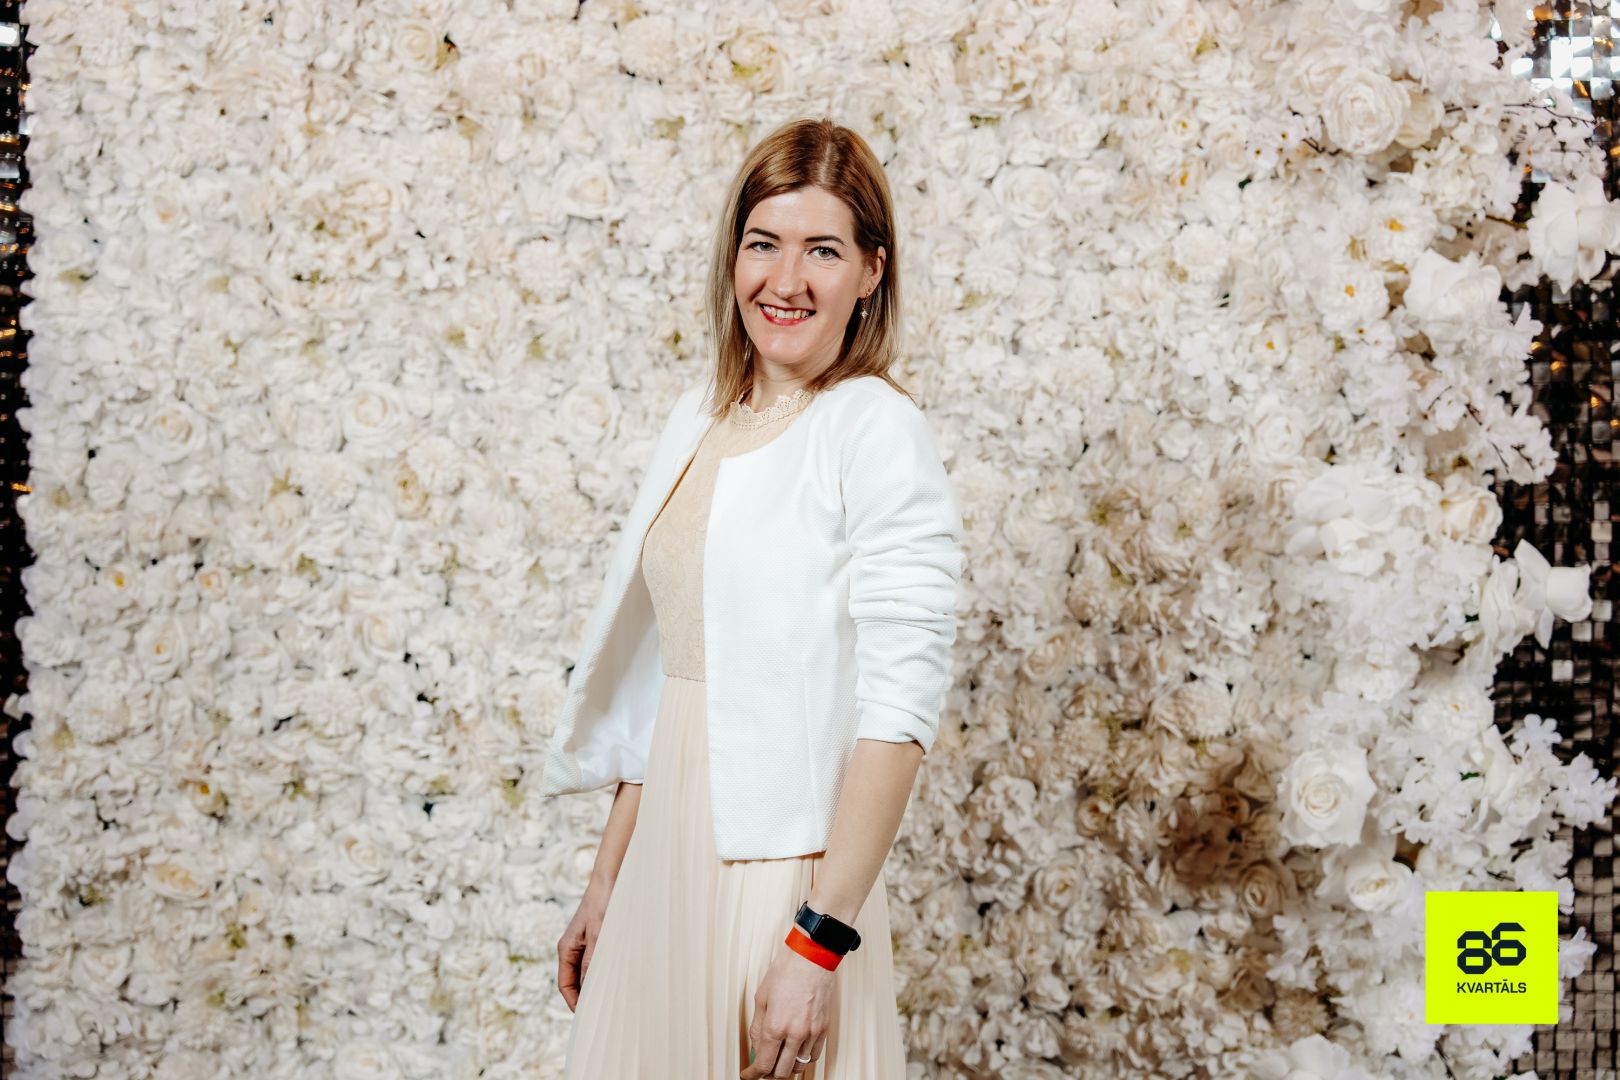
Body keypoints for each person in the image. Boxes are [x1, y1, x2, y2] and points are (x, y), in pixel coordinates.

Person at [544, 116, 965, 1079]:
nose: (786, 280)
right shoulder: (700, 416)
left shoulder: (873, 430)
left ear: (872, 271)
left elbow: (899, 716)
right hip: (663, 862)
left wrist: (819, 941)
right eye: (764, 243)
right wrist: (607, 884)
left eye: (824, 250)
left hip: (785, 878)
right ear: (733, 256)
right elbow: (672, 673)